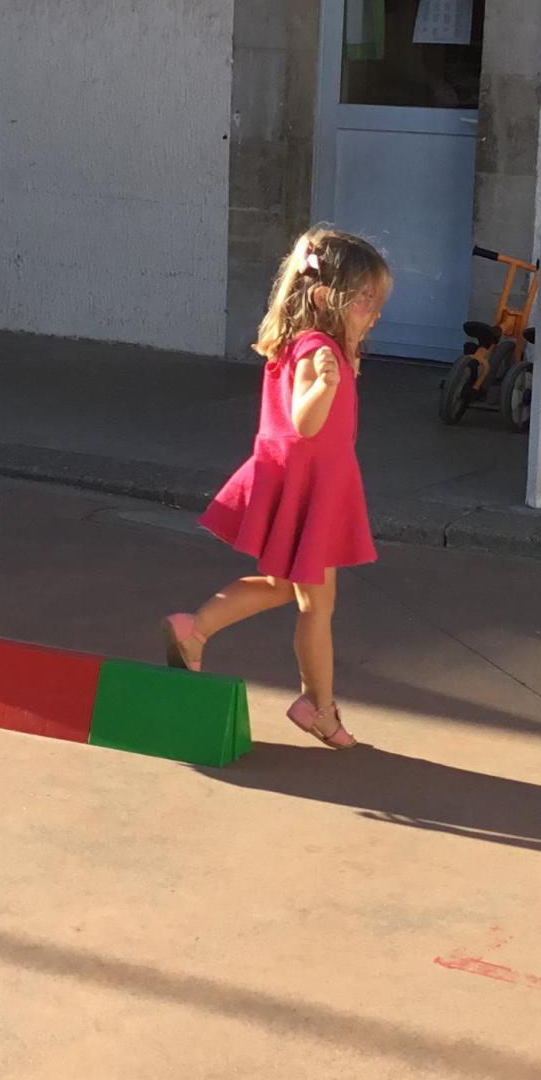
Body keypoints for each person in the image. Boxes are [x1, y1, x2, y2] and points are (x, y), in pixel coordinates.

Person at [163, 226, 389, 749]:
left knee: (287, 587)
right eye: (364, 299)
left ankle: (194, 628)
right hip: (308, 487)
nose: (374, 311)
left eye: (376, 300)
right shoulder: (316, 350)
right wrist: (328, 382)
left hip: (306, 482)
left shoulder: (311, 344)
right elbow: (305, 422)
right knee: (317, 605)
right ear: (323, 297)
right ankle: (317, 707)